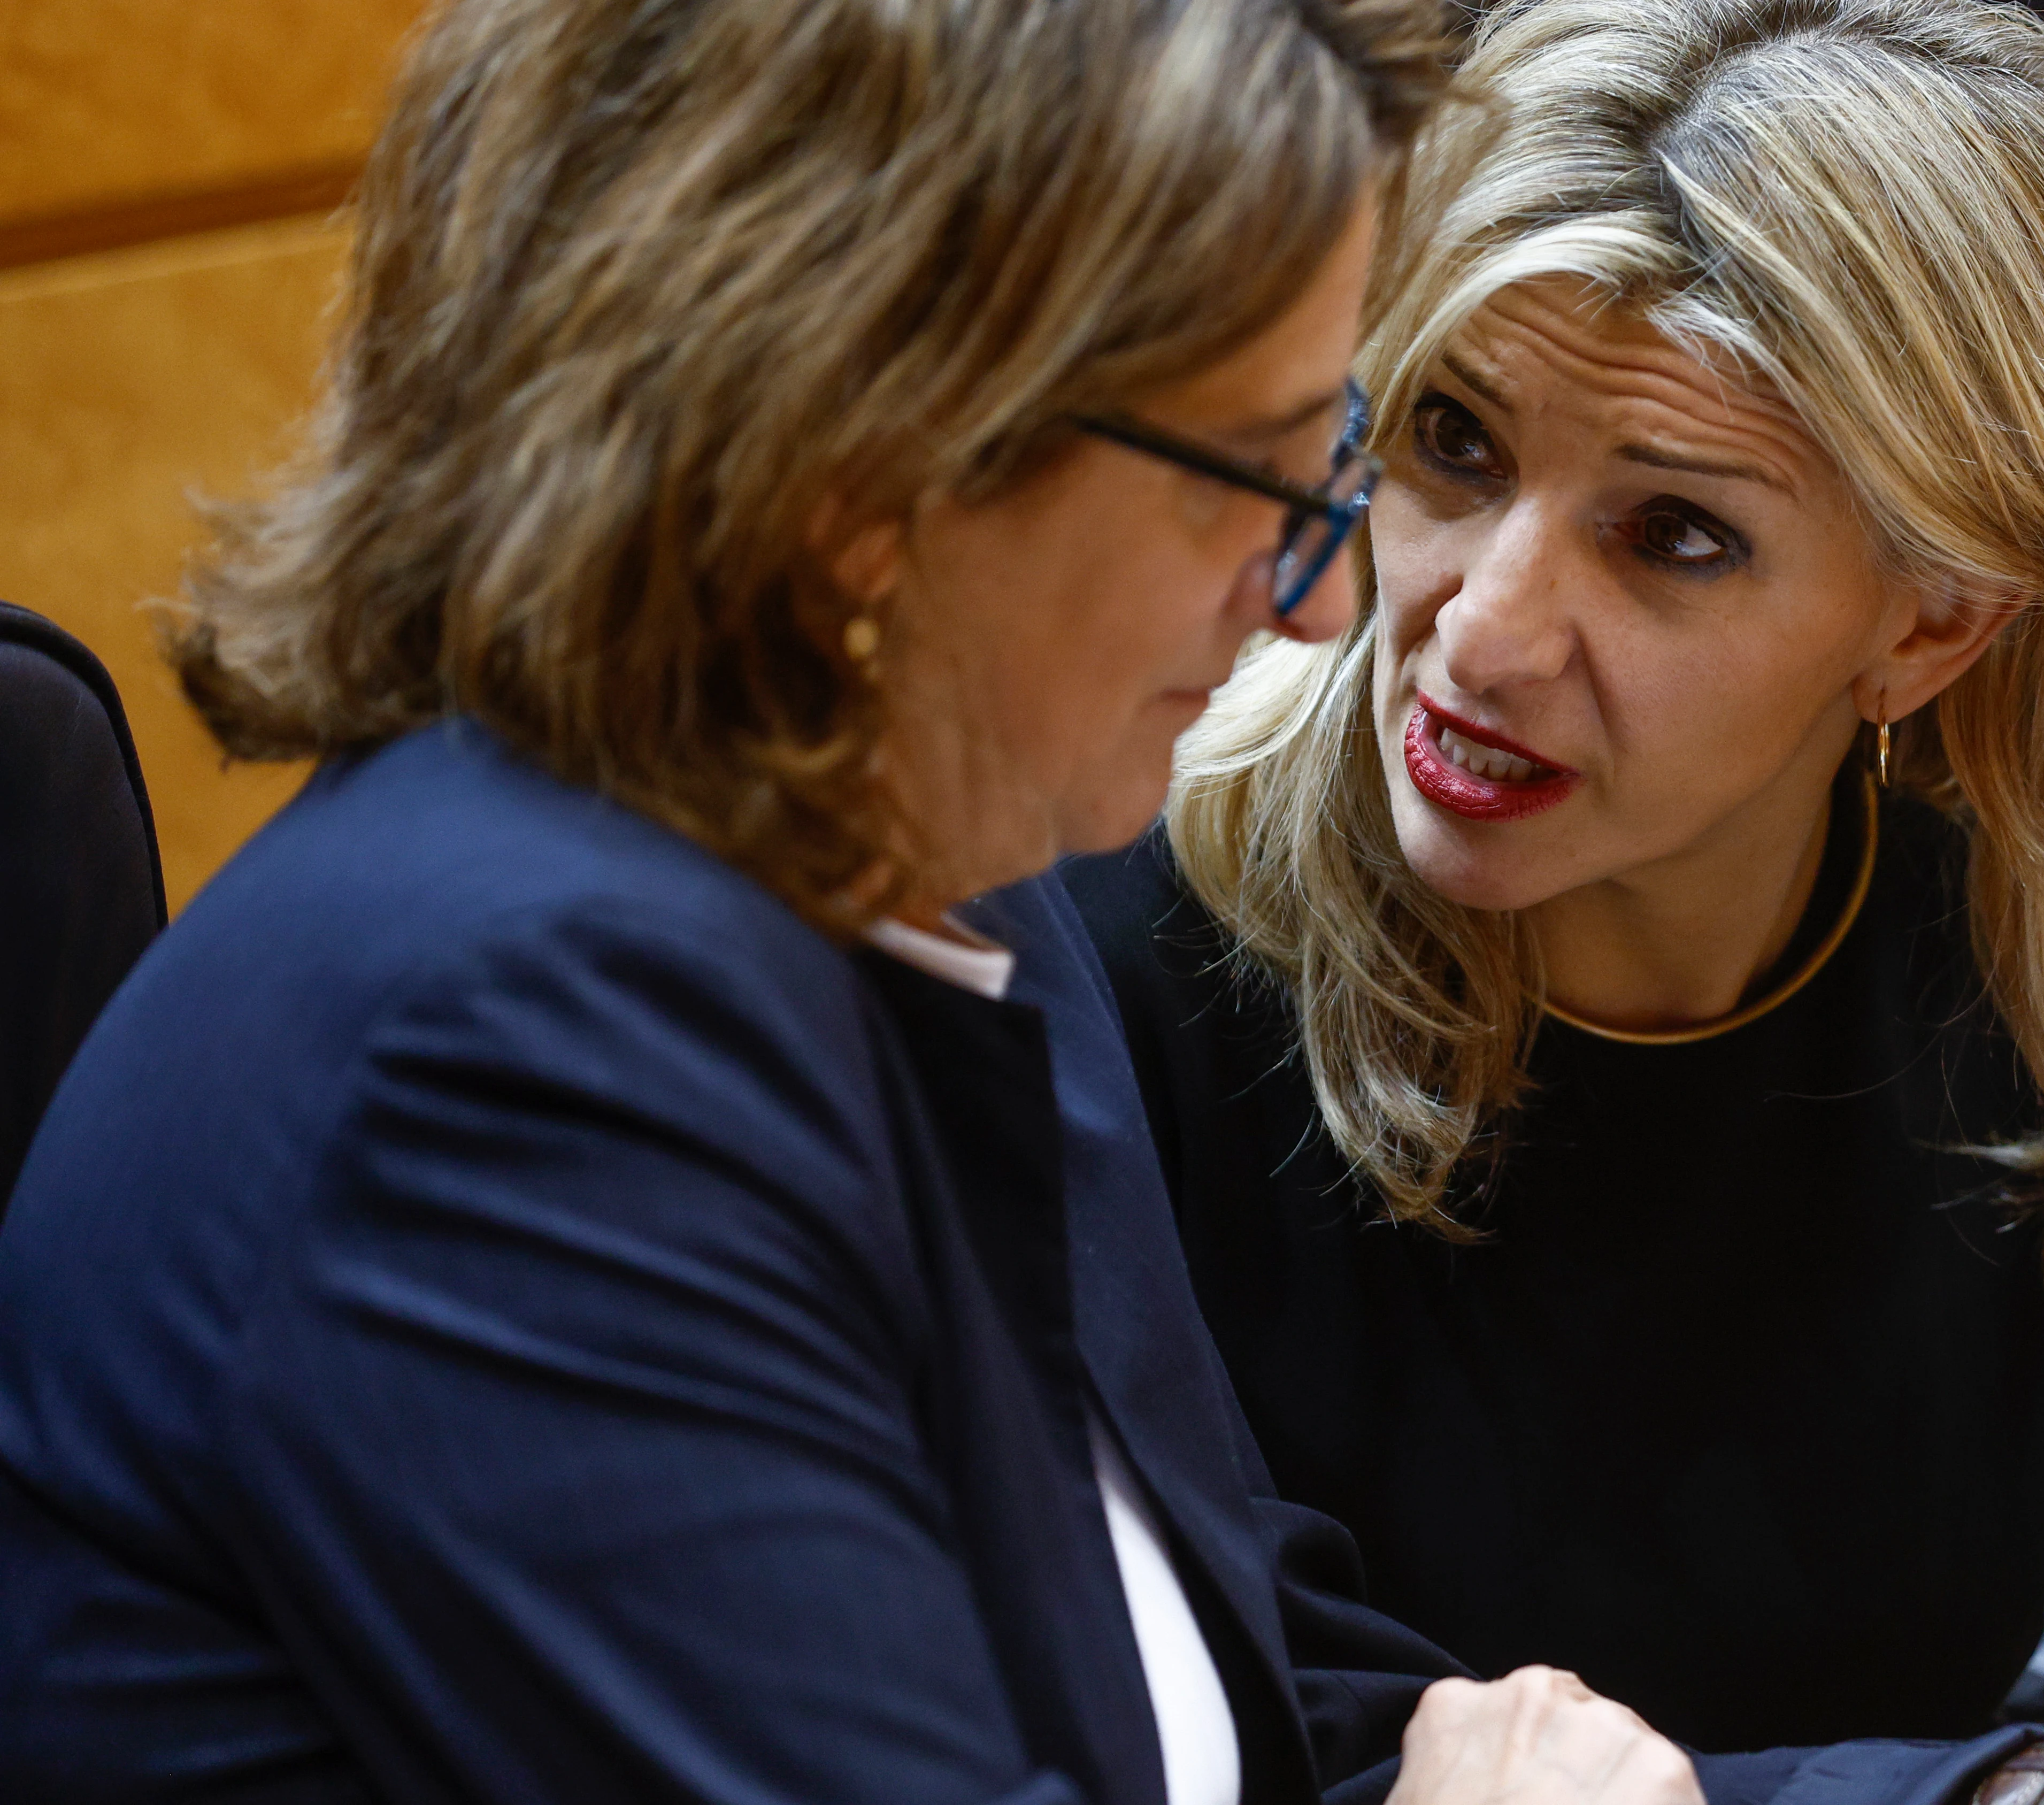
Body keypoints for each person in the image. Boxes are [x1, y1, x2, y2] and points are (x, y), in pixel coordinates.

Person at [0, 3, 1709, 1802]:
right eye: (1266, 477)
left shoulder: (911, 894)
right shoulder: (523, 1066)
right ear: (868, 469)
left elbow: (1208, 1717)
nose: (1310, 603)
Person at [1031, 0, 2044, 1796]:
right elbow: (1234, 1714)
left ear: (1932, 622)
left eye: (1671, 535)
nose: (1480, 631)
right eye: (1454, 443)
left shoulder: (2036, 939)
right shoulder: (1116, 920)